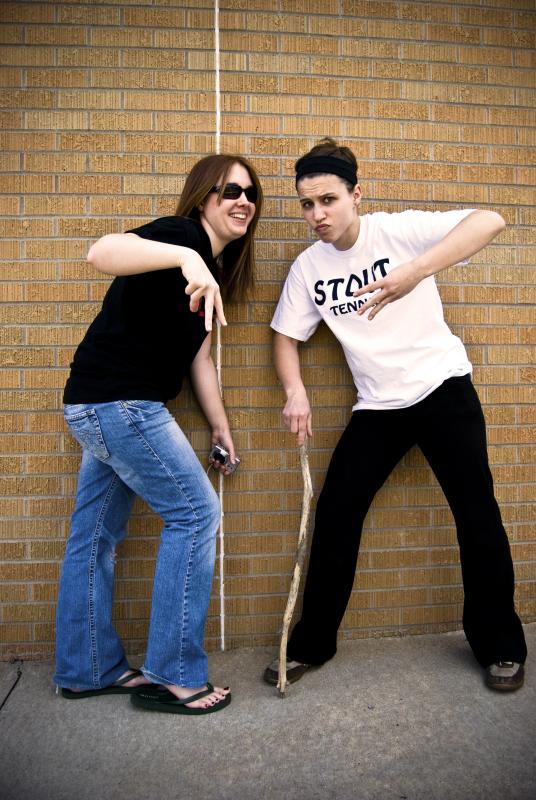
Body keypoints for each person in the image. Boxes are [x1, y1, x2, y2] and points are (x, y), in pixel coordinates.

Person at [264, 138, 527, 692]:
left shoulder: (395, 231)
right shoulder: (309, 268)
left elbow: (491, 220)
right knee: (336, 512)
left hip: (442, 389)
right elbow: (286, 337)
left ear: (356, 194)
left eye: (328, 200)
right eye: (307, 204)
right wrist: (296, 391)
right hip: (378, 407)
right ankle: (313, 643)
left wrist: (415, 272)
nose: (318, 215)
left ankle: (501, 646)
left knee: (476, 514)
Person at [55, 153, 263, 714]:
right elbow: (102, 252)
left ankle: (85, 668)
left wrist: (219, 425)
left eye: (251, 194)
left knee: (94, 534)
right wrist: (186, 257)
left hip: (100, 406)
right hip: (122, 404)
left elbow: (197, 356)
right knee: (196, 514)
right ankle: (174, 673)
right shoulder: (178, 236)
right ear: (202, 199)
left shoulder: (210, 272)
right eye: (230, 190)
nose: (243, 200)